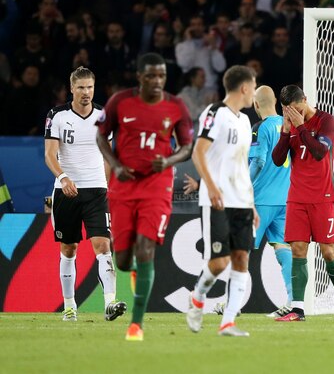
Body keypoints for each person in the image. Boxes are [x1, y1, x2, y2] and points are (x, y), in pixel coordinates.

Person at [96, 53, 194, 341]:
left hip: (157, 186)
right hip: (124, 186)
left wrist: (170, 160)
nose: (157, 81)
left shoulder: (175, 105)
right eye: (151, 76)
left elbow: (187, 146)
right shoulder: (119, 102)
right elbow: (102, 136)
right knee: (124, 260)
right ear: (139, 76)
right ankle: (137, 270)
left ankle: (136, 325)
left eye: (161, 76)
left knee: (146, 248)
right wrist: (114, 165)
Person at [44, 66, 126, 322]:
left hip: (95, 191)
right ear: (72, 89)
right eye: (80, 87)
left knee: (103, 245)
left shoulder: (104, 116)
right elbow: (49, 154)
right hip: (66, 191)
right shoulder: (56, 115)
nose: (86, 92)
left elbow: (108, 156)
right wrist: (63, 177)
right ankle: (69, 306)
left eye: (89, 87)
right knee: (69, 249)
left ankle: (110, 304)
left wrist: (106, 186)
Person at [186, 65, 259, 337]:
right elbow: (198, 152)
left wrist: (251, 204)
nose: (254, 91)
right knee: (219, 262)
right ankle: (197, 296)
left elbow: (240, 166)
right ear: (244, 87)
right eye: (253, 86)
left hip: (241, 200)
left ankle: (227, 322)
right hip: (216, 200)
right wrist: (212, 186)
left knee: (241, 259)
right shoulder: (215, 113)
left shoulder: (244, 121)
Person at [271, 85, 334, 322]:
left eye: (297, 110)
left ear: (305, 100)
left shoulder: (326, 121)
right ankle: (298, 310)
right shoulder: (290, 125)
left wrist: (300, 126)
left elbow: (319, 152)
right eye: (289, 112)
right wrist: (285, 132)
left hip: (322, 197)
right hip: (297, 197)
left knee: (328, 253)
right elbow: (277, 160)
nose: (294, 115)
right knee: (297, 250)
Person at [249, 85, 292, 318]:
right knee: (283, 248)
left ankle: (229, 303)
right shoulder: (288, 125)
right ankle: (292, 301)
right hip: (285, 199)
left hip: (261, 199)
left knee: (240, 248)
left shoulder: (260, 127)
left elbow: (258, 161)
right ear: (275, 100)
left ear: (256, 105)